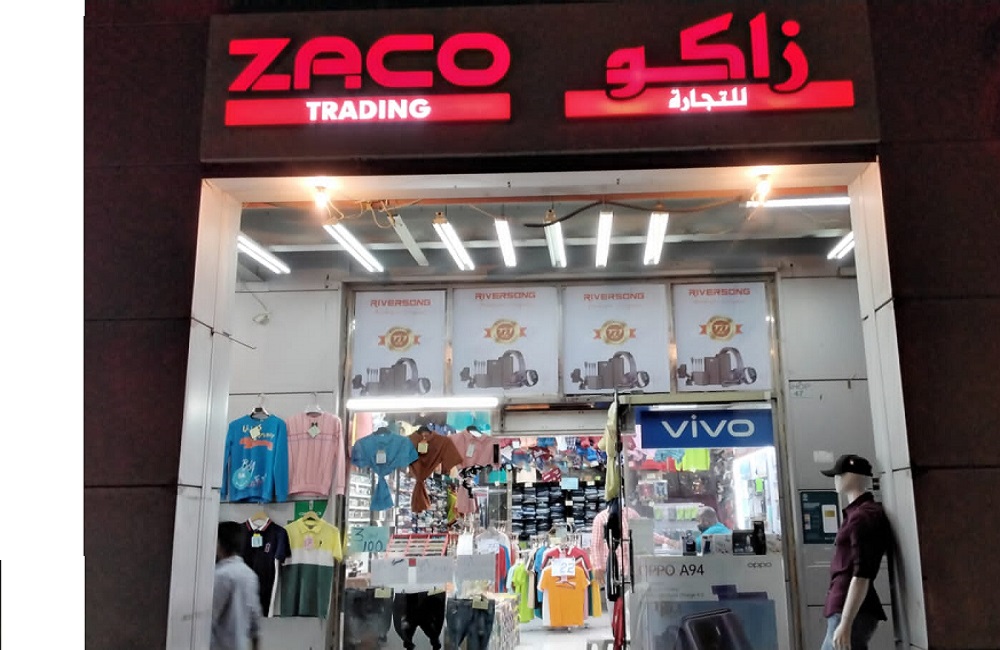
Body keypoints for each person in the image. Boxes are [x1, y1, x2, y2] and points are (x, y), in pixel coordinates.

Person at [820, 454, 891, 650]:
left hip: (850, 608)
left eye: (839, 475)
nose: (836, 479)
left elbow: (862, 574)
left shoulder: (862, 517)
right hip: (847, 606)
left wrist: (846, 622)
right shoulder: (859, 514)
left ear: (852, 477)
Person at [213, 521, 263, 650]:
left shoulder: (220, 575)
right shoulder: (250, 574)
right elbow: (255, 621)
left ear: (219, 543)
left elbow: (209, 618)